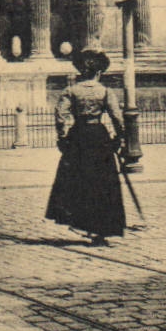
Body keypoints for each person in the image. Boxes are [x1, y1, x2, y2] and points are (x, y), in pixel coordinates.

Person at [46, 50, 128, 245]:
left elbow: (60, 115)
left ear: (82, 71)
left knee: (78, 181)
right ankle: (101, 229)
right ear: (99, 72)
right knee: (103, 183)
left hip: (78, 138)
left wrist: (63, 136)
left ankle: (81, 222)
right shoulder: (105, 92)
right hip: (99, 138)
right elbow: (117, 118)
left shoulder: (71, 91)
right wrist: (119, 137)